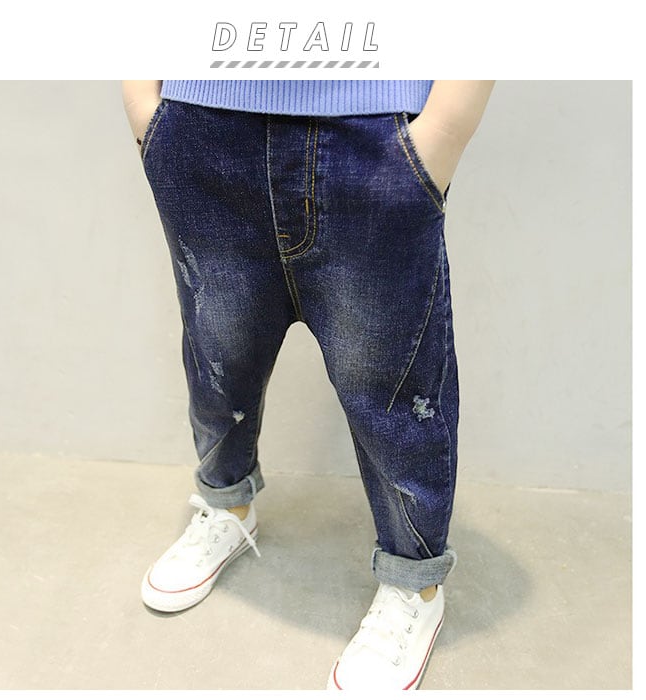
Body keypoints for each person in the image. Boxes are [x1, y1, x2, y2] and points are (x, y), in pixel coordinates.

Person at [122, 79, 494, 690]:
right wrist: (146, 107)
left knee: (391, 390)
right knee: (218, 358)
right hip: (202, 123)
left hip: (371, 129)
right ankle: (226, 504)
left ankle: (414, 582)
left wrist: (444, 131)